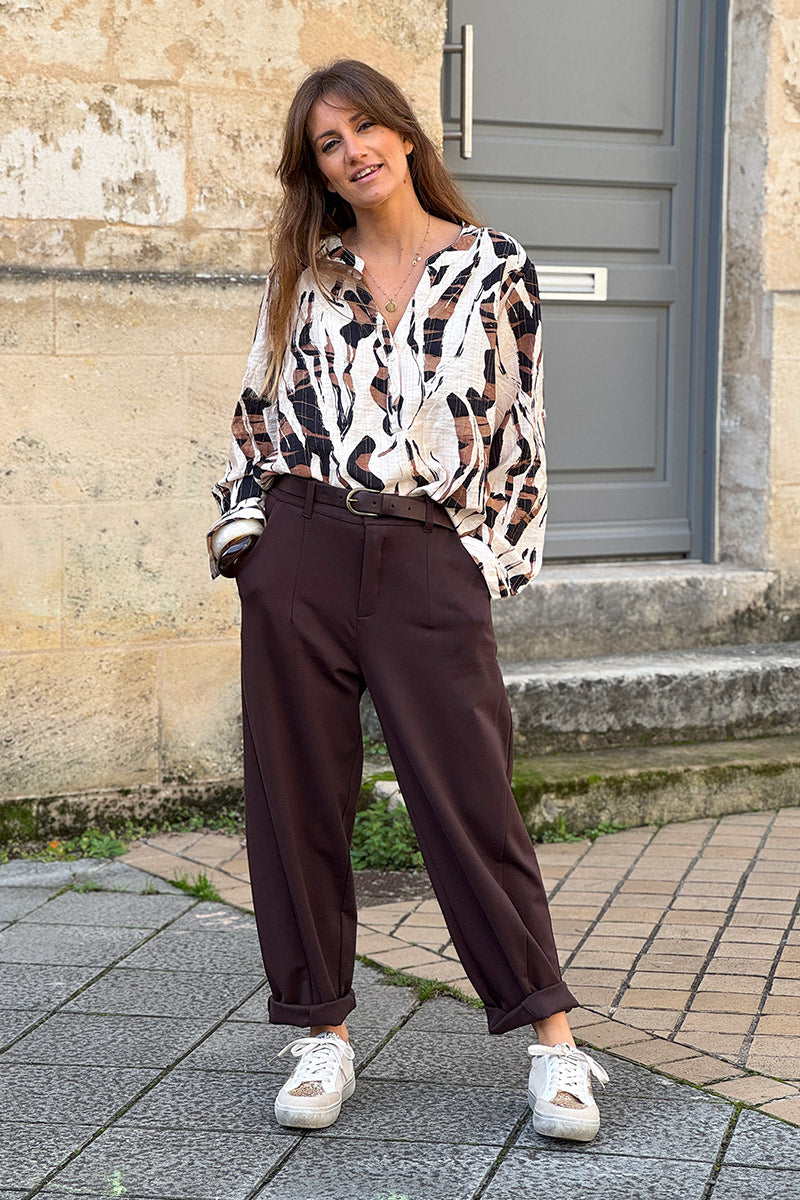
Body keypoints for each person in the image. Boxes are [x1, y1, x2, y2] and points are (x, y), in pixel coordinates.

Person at [208, 59, 609, 1142]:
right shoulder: (307, 270)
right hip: (300, 545)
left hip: (428, 555)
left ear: (403, 132)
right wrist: (246, 538)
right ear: (319, 173)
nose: (353, 152)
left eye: (363, 128)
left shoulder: (494, 270)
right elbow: (259, 406)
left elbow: (519, 432)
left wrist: (486, 564)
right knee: (295, 799)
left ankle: (553, 1043)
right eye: (329, 145)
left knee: (469, 801)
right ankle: (321, 1035)